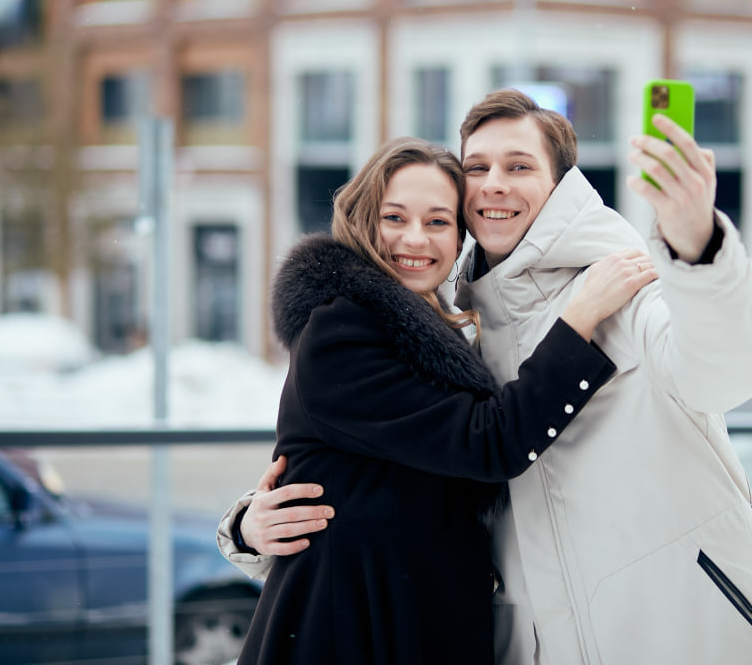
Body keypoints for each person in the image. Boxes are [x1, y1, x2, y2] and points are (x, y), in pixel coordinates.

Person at [224, 91, 752, 664]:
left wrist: (697, 244)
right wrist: (249, 524)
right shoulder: (458, 338)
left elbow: (728, 369)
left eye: (518, 165)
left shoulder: (622, 286)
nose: (493, 184)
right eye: (477, 168)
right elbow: (445, 452)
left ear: (560, 184)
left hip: (688, 632)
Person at [228, 137, 655, 665]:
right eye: (394, 217)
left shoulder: (430, 336)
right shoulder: (339, 333)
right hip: (349, 629)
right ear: (363, 222)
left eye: (437, 222)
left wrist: (243, 526)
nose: (416, 239)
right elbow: (488, 442)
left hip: (408, 616)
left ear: (458, 239)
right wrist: (580, 318)